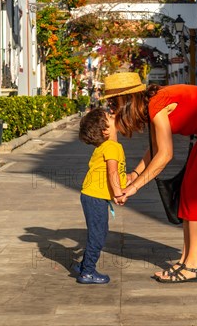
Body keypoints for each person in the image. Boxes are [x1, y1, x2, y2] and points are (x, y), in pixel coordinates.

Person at [103, 72, 197, 283]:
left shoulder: (156, 105)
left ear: (125, 100)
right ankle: (186, 260)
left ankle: (194, 266)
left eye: (112, 102)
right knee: (188, 191)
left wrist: (134, 187)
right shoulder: (152, 104)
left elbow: (165, 155)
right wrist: (134, 175)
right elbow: (155, 149)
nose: (111, 107)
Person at [76, 108, 127, 284]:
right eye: (111, 117)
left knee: (99, 232)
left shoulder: (106, 146)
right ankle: (87, 272)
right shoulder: (112, 147)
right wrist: (118, 193)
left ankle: (84, 265)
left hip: (92, 196)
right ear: (105, 131)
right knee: (98, 235)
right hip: (94, 197)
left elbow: (115, 173)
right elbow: (112, 172)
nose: (115, 117)